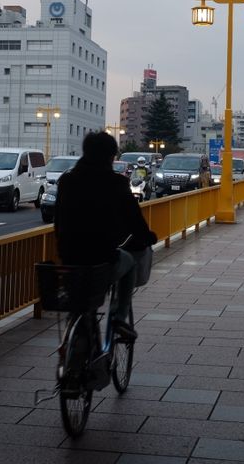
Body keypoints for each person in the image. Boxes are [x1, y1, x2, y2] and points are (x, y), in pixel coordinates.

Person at [53, 131, 157, 339]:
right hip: (102, 259)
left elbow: (59, 219)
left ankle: (72, 349)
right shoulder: (116, 183)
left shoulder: (67, 180)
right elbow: (135, 222)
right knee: (128, 266)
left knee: (81, 303)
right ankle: (119, 317)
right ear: (110, 157)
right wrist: (148, 237)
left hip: (69, 260)